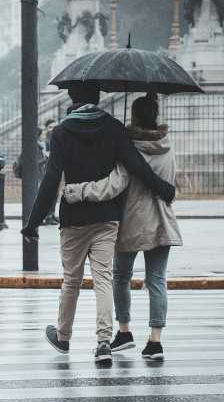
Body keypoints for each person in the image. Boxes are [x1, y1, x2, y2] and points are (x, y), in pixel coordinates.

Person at [20, 83, 175, 365]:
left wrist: (33, 222)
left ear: (72, 97)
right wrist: (162, 187)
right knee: (103, 278)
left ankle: (63, 336)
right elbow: (136, 165)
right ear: (98, 97)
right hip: (107, 218)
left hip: (73, 219)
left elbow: (51, 180)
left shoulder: (61, 132)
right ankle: (104, 342)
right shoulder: (114, 128)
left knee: (72, 280)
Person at [63, 94, 183, 361]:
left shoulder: (130, 148)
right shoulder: (167, 145)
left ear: (135, 116)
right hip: (163, 221)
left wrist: (79, 192)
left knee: (120, 277)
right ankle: (155, 341)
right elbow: (172, 181)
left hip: (132, 220)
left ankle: (124, 331)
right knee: (157, 281)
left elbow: (115, 184)